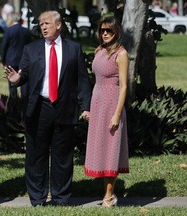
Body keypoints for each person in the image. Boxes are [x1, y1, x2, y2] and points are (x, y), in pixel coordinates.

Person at [5, 10, 91, 206]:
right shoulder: (31, 49)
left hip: (64, 107)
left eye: (46, 23)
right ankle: (38, 198)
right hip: (39, 108)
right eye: (40, 24)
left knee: (63, 155)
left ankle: (61, 198)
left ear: (58, 25)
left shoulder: (74, 48)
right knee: (36, 155)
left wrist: (85, 106)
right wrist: (17, 79)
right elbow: (23, 74)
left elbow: (82, 81)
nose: (42, 27)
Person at [84, 16, 129, 207]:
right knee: (101, 149)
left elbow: (124, 86)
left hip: (112, 105)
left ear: (116, 32)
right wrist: (91, 109)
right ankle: (106, 193)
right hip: (98, 104)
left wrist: (117, 114)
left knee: (111, 149)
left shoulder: (121, 53)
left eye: (109, 31)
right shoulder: (99, 51)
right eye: (102, 30)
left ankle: (109, 196)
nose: (105, 33)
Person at [1, 12, 32, 99]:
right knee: (24, 81)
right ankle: (24, 99)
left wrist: (3, 60)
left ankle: (13, 100)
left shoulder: (8, 31)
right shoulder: (26, 31)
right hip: (23, 60)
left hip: (11, 60)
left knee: (12, 81)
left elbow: (4, 46)